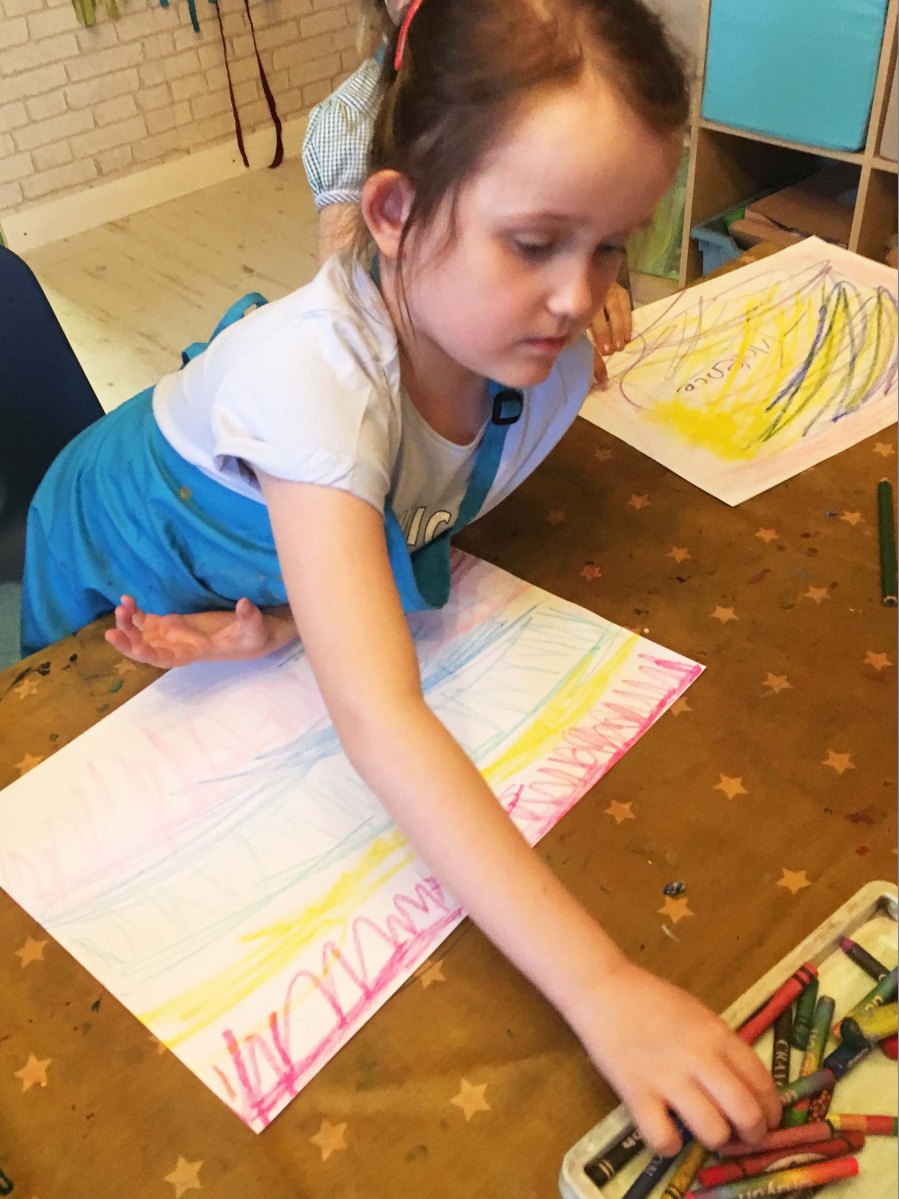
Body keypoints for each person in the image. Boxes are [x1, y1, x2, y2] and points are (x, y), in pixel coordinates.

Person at [22, 0, 779, 1157]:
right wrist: (602, 986)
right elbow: (378, 718)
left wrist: (292, 621)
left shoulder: (534, 363)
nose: (580, 298)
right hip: (123, 535)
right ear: (393, 213)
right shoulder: (313, 385)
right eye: (534, 242)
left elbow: (401, 511)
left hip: (256, 563)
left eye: (610, 244)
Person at [302, 0, 634, 382]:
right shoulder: (348, 123)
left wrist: (587, 280)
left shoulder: (538, 80)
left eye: (609, 246)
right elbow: (349, 322)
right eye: (533, 244)